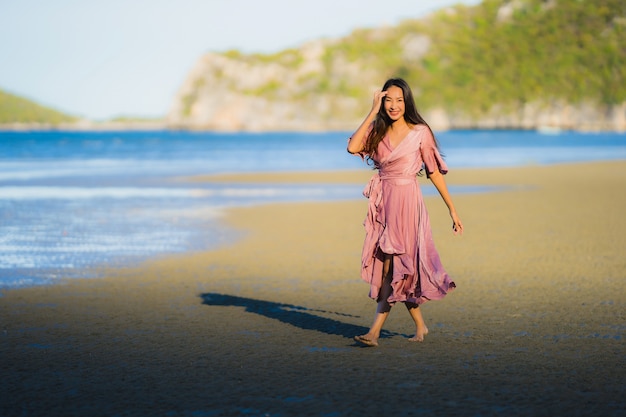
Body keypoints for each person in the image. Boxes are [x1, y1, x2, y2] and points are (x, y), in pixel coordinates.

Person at [347, 78, 463, 347]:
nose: (394, 106)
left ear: (407, 102)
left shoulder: (420, 132)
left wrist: (452, 210)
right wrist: (373, 110)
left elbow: (433, 172)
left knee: (391, 267)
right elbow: (353, 147)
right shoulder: (377, 129)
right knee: (401, 268)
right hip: (384, 203)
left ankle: (374, 332)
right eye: (388, 100)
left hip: (408, 204)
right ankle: (421, 326)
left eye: (399, 100)